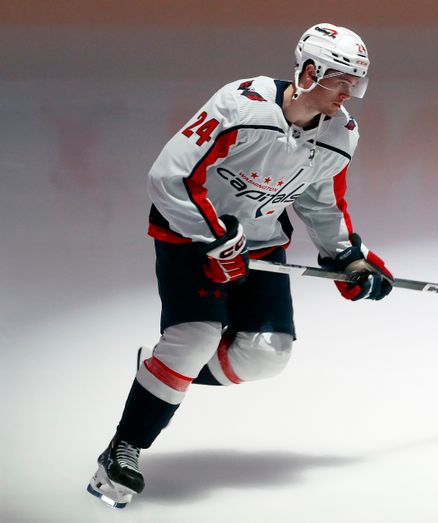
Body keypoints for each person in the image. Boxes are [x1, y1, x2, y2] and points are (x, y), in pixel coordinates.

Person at [86, 22, 393, 509]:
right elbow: (171, 176)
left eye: (356, 82)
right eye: (341, 80)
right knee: (196, 338)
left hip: (260, 243)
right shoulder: (241, 105)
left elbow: (321, 202)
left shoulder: (341, 135)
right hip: (189, 233)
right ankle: (120, 455)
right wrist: (214, 239)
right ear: (310, 72)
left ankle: (162, 372)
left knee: (267, 354)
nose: (349, 93)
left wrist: (348, 259)